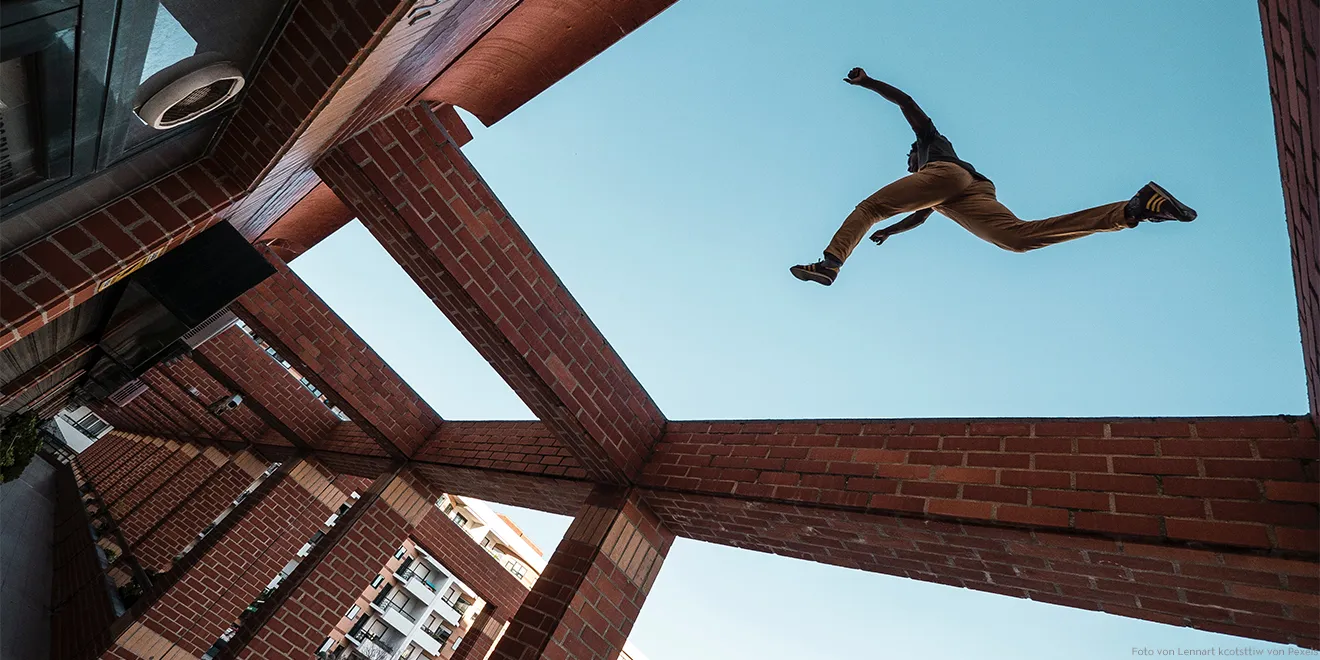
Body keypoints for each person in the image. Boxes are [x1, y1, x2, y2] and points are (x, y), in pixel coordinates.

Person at [791, 67, 1197, 286]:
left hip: (950, 177)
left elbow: (908, 103)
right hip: (970, 191)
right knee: (1016, 238)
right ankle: (1133, 208)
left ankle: (830, 263)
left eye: (909, 160)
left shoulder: (930, 144)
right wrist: (891, 234)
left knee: (869, 207)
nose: (908, 164)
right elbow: (921, 214)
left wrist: (869, 83)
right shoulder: (931, 190)